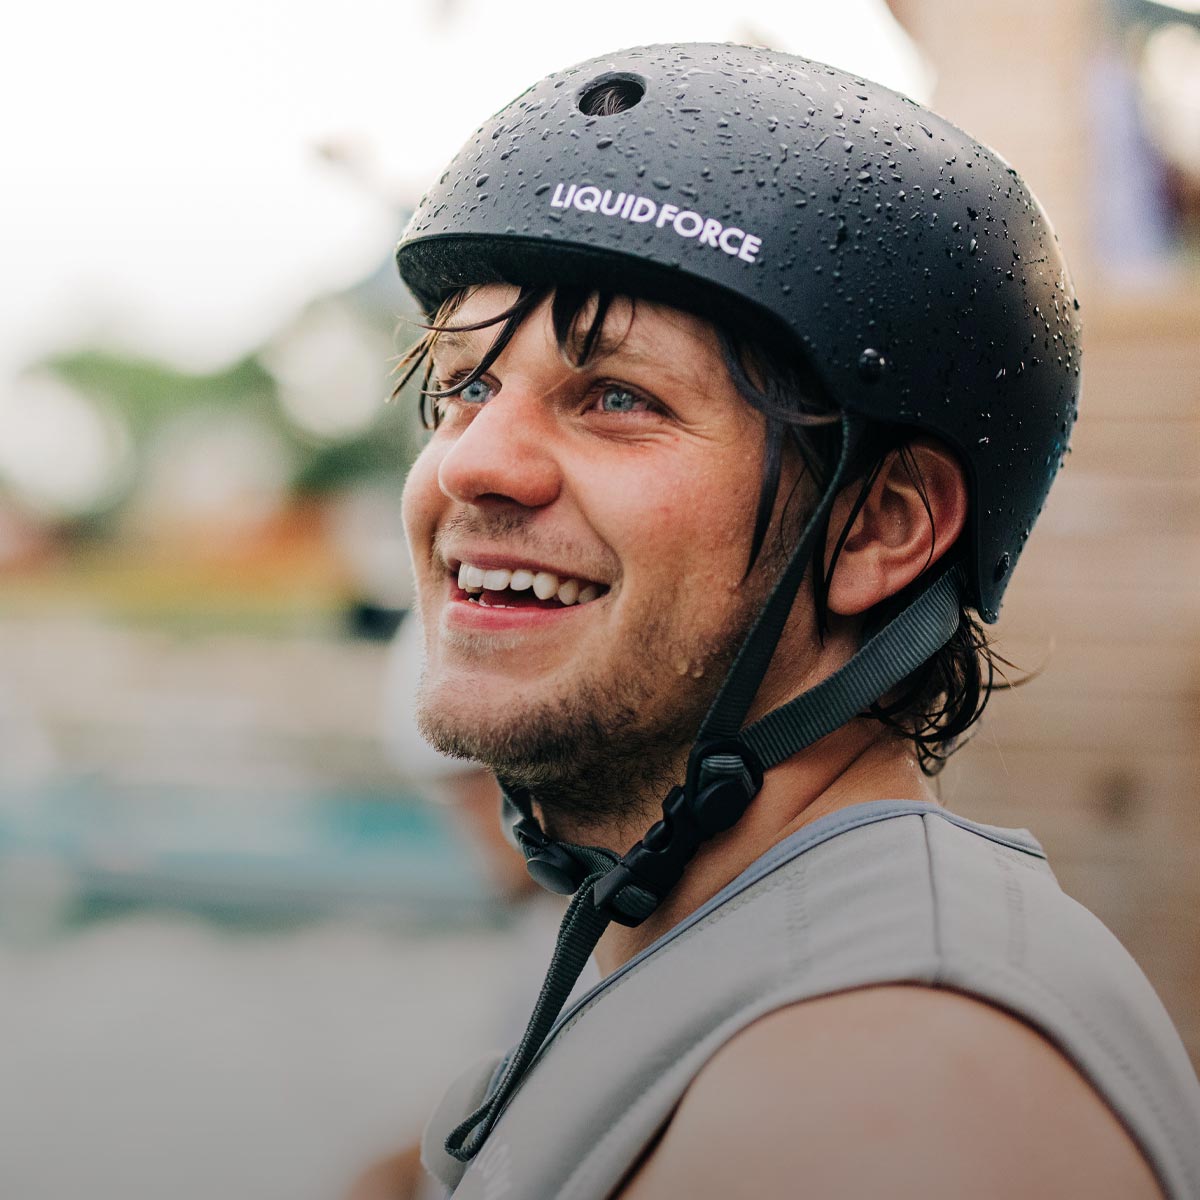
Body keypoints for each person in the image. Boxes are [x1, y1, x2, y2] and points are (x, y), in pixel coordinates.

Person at [390, 43, 1200, 1199]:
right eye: (464, 387)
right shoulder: (746, 967)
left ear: (879, 526)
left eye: (617, 397)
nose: (473, 465)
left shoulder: (894, 1095)